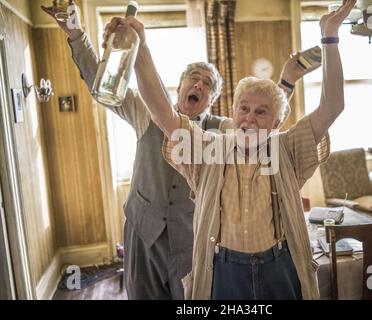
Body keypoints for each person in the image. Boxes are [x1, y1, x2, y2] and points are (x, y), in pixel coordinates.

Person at [41, 3, 311, 300]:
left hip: (191, 237)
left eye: (207, 84)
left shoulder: (221, 131)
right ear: (180, 85)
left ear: (212, 100)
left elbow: (264, 125)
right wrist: (77, 34)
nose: (198, 84)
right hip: (143, 230)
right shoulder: (146, 112)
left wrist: (286, 82)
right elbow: (101, 83)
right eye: (193, 77)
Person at [105, 0, 355, 300]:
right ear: (232, 112)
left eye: (261, 112)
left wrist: (329, 35)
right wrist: (141, 48)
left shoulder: (286, 148)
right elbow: (162, 112)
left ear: (276, 123)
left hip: (279, 265)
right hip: (224, 269)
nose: (249, 117)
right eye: (244, 108)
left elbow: (332, 106)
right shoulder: (209, 148)